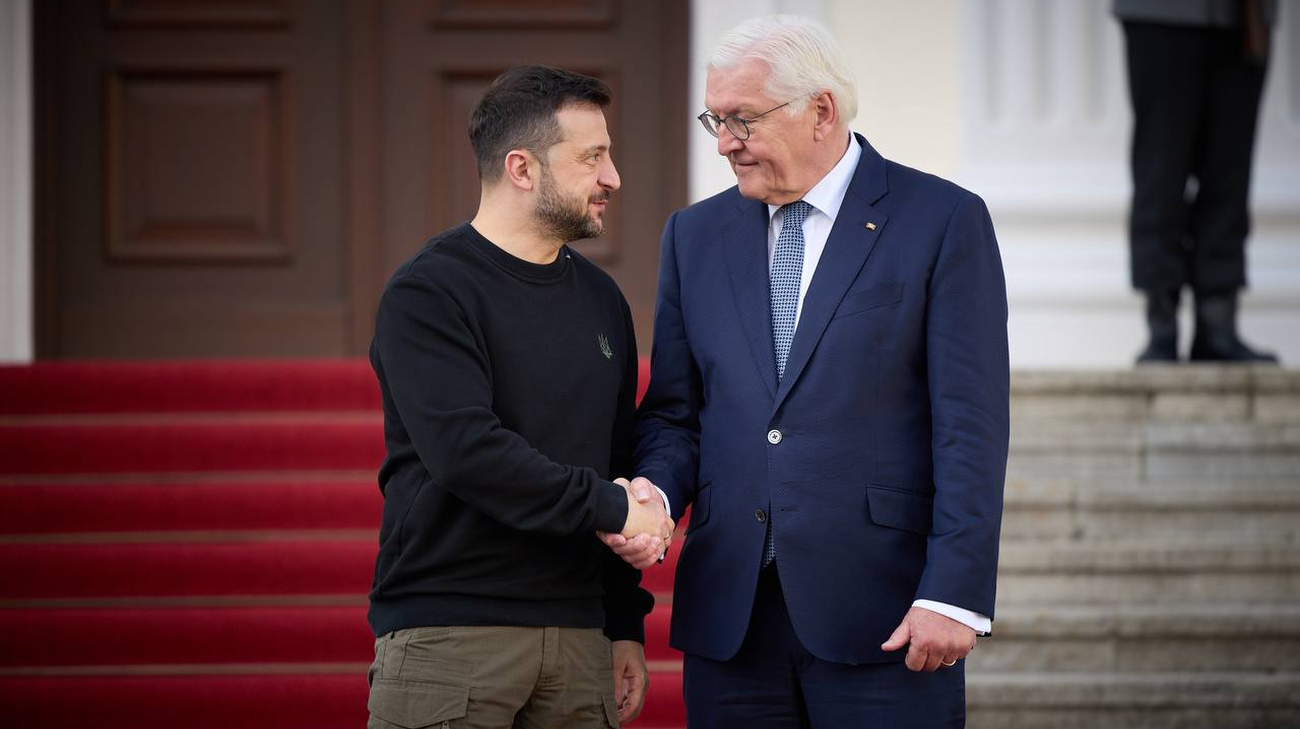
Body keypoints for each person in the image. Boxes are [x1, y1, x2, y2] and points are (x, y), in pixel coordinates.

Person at [604, 15, 1009, 728]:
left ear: (820, 110)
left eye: (743, 119)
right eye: (715, 119)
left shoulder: (942, 219)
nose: (726, 141)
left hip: (886, 618)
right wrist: (657, 496)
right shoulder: (693, 236)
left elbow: (970, 425)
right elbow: (675, 411)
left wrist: (954, 592)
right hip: (732, 621)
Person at [365, 65, 674, 729]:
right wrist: (616, 506)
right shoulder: (429, 292)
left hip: (580, 641)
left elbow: (614, 454)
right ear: (522, 169)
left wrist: (623, 625)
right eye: (593, 157)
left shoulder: (602, 301)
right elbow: (466, 451)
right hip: (452, 633)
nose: (613, 177)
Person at [1115, 0, 1279, 363]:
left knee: (1230, 170)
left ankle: (1217, 322)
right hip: (1163, 15)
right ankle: (1162, 325)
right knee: (1160, 169)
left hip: (1244, 16)